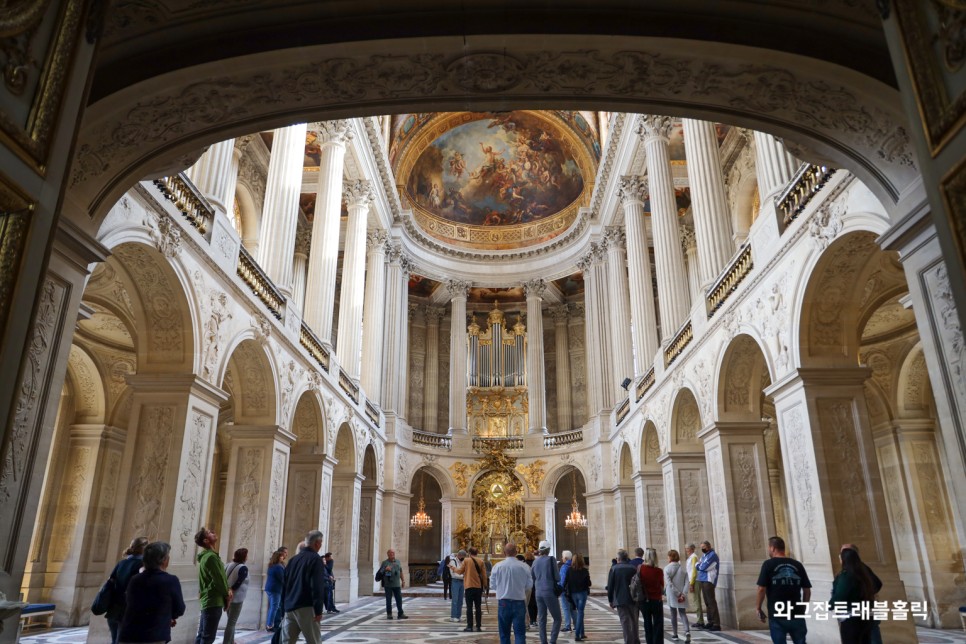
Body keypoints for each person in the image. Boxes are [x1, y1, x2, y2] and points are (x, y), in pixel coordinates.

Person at [117, 541, 185, 644]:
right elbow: (179, 609)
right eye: (167, 556)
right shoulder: (170, 580)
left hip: (130, 633)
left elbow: (131, 603)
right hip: (154, 635)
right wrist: (168, 617)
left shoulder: (135, 579)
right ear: (163, 560)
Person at [756, 536, 811, 644]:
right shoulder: (797, 564)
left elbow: (761, 588)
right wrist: (803, 607)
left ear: (772, 548)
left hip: (777, 613)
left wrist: (758, 607)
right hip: (796, 612)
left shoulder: (768, 564)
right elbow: (807, 590)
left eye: (768, 547)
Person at [279, 530, 326, 644]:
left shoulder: (293, 560)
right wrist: (319, 610)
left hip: (290, 606)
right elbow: (317, 586)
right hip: (307, 606)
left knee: (287, 641)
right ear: (317, 543)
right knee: (314, 641)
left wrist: (283, 606)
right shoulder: (315, 559)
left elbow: (285, 585)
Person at [103, 536, 149, 644]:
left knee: (115, 640)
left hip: (114, 609)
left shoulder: (121, 563)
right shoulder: (142, 565)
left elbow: (110, 582)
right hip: (129, 610)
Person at [831, 548, 878, 643]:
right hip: (866, 615)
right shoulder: (864, 573)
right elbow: (877, 585)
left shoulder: (847, 576)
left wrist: (831, 604)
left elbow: (840, 595)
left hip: (852, 618)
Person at [194, 527, 231, 644]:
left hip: (209, 599)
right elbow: (219, 579)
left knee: (203, 635)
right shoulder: (210, 557)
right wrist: (227, 595)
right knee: (208, 637)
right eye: (209, 533)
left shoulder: (208, 556)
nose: (213, 532)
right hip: (213, 600)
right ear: (206, 540)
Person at [491, 542, 533, 644]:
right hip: (519, 601)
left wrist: (502, 588)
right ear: (516, 552)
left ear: (504, 552)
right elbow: (529, 585)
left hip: (504, 602)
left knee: (504, 633)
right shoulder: (524, 566)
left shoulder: (497, 566)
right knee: (520, 633)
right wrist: (519, 589)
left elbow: (493, 585)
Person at [841, 544, 883, 644]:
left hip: (861, 610)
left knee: (871, 635)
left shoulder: (858, 568)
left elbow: (877, 584)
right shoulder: (859, 568)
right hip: (866, 609)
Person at [531, 540, 562, 644]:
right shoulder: (551, 559)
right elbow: (557, 577)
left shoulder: (535, 561)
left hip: (538, 592)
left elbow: (532, 577)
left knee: (542, 619)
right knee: (557, 618)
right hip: (549, 591)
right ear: (548, 550)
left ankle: (543, 642)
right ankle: (552, 641)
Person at [607, 549, 640, 644]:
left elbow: (610, 586)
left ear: (618, 558)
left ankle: (628, 641)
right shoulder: (633, 568)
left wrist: (610, 599)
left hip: (620, 598)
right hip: (633, 598)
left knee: (625, 621)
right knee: (634, 621)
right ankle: (636, 641)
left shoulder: (614, 569)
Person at [453, 546, 488, 632]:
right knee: (478, 607)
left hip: (469, 586)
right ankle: (478, 626)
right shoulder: (481, 561)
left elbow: (460, 571)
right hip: (478, 587)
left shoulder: (466, 560)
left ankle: (469, 626)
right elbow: (484, 575)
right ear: (477, 553)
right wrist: (485, 585)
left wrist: (452, 568)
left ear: (469, 553)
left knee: (469, 607)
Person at [223, 548, 249, 644]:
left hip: (227, 597)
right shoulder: (242, 567)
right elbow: (239, 582)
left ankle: (231, 641)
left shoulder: (228, 565)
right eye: (246, 555)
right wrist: (232, 590)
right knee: (232, 623)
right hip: (236, 598)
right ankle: (227, 642)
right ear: (244, 556)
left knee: (230, 621)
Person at [639, 547, 664, 644]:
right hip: (656, 600)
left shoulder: (640, 569)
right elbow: (662, 587)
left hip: (644, 600)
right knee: (658, 624)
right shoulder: (659, 571)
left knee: (647, 623)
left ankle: (649, 642)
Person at [565, 553, 591, 642]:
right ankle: (577, 635)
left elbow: (565, 581)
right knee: (580, 613)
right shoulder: (584, 570)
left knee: (580, 613)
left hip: (573, 594)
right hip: (582, 593)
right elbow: (589, 583)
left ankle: (582, 633)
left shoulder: (569, 570)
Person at [665, 549, 690, 643]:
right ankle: (687, 630)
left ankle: (675, 634)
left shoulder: (667, 568)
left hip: (672, 594)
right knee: (683, 613)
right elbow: (687, 582)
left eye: (668, 556)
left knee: (673, 614)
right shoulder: (683, 568)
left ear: (671, 557)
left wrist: (678, 593)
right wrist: (683, 593)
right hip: (682, 593)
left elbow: (669, 583)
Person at [695, 540, 720, 631]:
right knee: (707, 602)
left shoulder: (712, 555)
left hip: (709, 580)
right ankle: (710, 621)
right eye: (701, 547)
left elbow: (702, 567)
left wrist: (699, 565)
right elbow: (698, 564)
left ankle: (716, 623)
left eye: (703, 547)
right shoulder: (705, 555)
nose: (702, 549)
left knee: (711, 602)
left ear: (708, 547)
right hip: (702, 579)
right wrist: (699, 565)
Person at [380, 548, 409, 619]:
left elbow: (401, 571)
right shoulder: (385, 563)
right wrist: (386, 570)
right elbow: (381, 572)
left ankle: (400, 613)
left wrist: (403, 581)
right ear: (388, 554)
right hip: (388, 584)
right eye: (390, 553)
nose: (392, 554)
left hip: (397, 584)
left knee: (399, 599)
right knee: (388, 600)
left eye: (393, 553)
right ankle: (389, 614)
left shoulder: (398, 562)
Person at [265, 549, 286, 632]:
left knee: (272, 607)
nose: (283, 557)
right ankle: (270, 625)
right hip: (275, 589)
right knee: (274, 607)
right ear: (278, 557)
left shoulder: (271, 565)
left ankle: (269, 624)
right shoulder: (278, 567)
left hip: (270, 588)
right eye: (281, 556)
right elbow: (282, 578)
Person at [684, 544, 704, 629]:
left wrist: (691, 583)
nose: (686, 550)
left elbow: (694, 571)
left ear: (692, 549)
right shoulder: (691, 557)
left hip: (695, 581)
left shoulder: (694, 557)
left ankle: (700, 621)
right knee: (695, 600)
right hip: (692, 580)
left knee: (696, 600)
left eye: (688, 548)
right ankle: (700, 620)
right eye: (686, 549)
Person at [449, 550, 466, 622]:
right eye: (463, 557)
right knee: (455, 600)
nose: (463, 558)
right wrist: (463, 576)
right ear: (459, 555)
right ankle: (453, 616)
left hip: (462, 582)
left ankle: (459, 615)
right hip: (455, 582)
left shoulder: (462, 562)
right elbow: (454, 574)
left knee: (460, 600)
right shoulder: (453, 561)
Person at [559, 550, 573, 633]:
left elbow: (562, 580)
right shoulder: (574, 565)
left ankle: (568, 626)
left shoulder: (564, 567)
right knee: (573, 609)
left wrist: (560, 590)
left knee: (565, 608)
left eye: (562, 556)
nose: (561, 558)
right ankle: (577, 625)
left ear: (565, 558)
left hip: (565, 591)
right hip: (572, 590)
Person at [525, 551, 538, 628]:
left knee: (529, 603)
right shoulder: (535, 563)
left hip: (528, 585)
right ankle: (534, 620)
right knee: (535, 604)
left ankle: (530, 620)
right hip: (535, 585)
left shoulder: (524, 564)